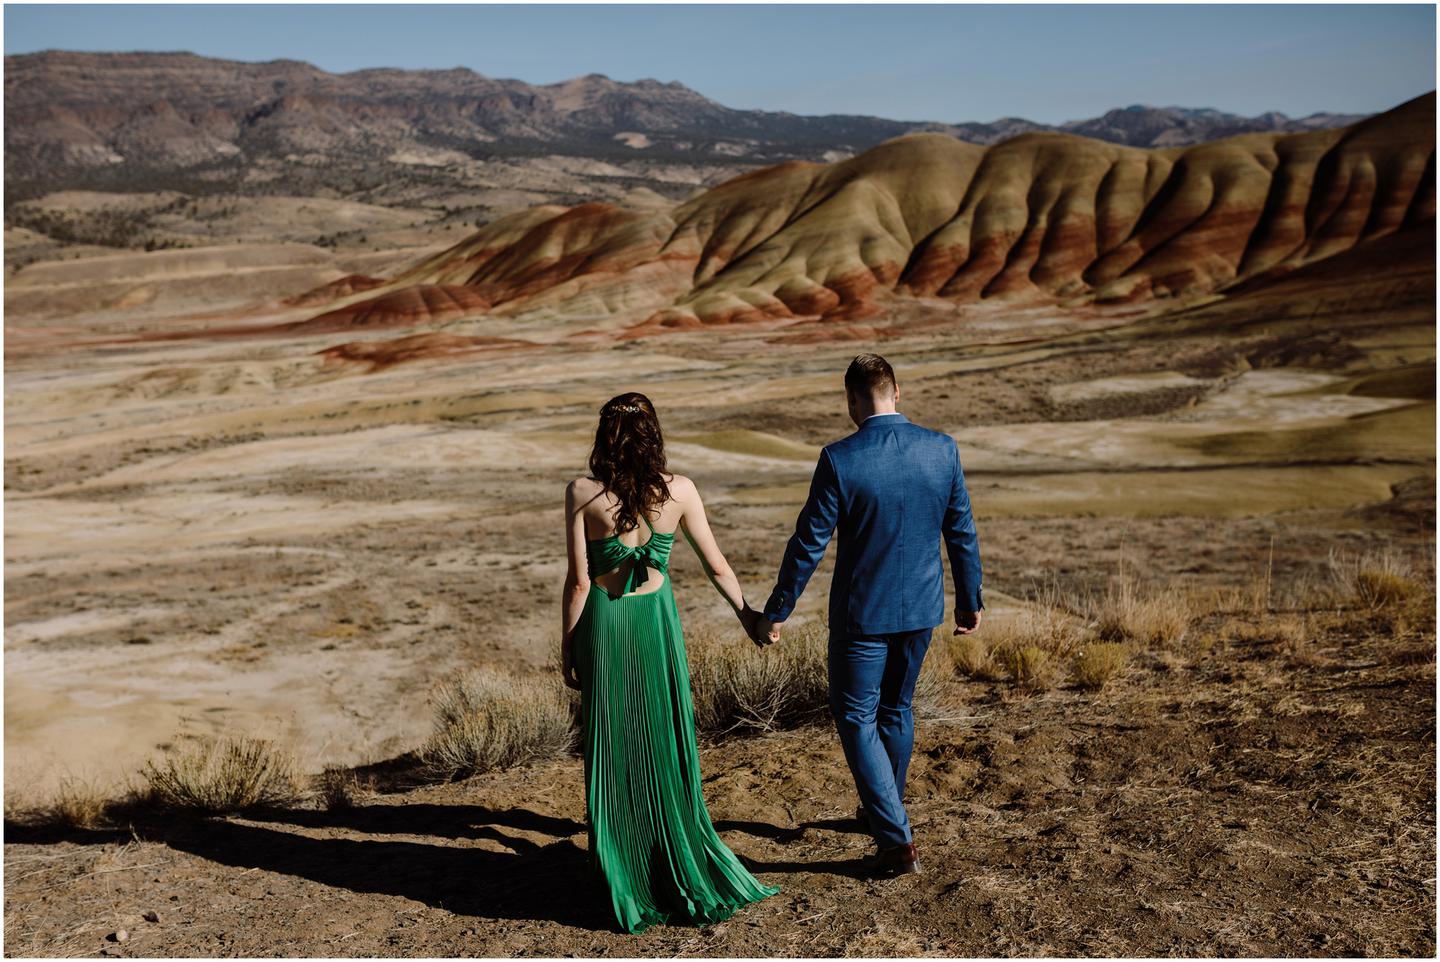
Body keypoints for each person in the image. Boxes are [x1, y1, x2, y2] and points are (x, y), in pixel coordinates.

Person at [754, 353, 984, 878]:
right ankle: (885, 810)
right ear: (896, 392)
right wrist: (970, 599)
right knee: (896, 709)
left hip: (863, 616)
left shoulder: (840, 458)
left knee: (856, 716)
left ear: (853, 401)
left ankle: (895, 840)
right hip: (922, 609)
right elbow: (962, 532)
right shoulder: (941, 449)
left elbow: (808, 544)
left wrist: (777, 610)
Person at [560, 391, 780, 934]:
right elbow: (717, 565)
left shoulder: (582, 493)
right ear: (653, 435)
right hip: (656, 624)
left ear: (604, 438)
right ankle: (671, 856)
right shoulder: (679, 491)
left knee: (614, 742)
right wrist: (749, 615)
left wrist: (568, 645)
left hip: (607, 627)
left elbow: (581, 581)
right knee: (660, 734)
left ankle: (623, 868)